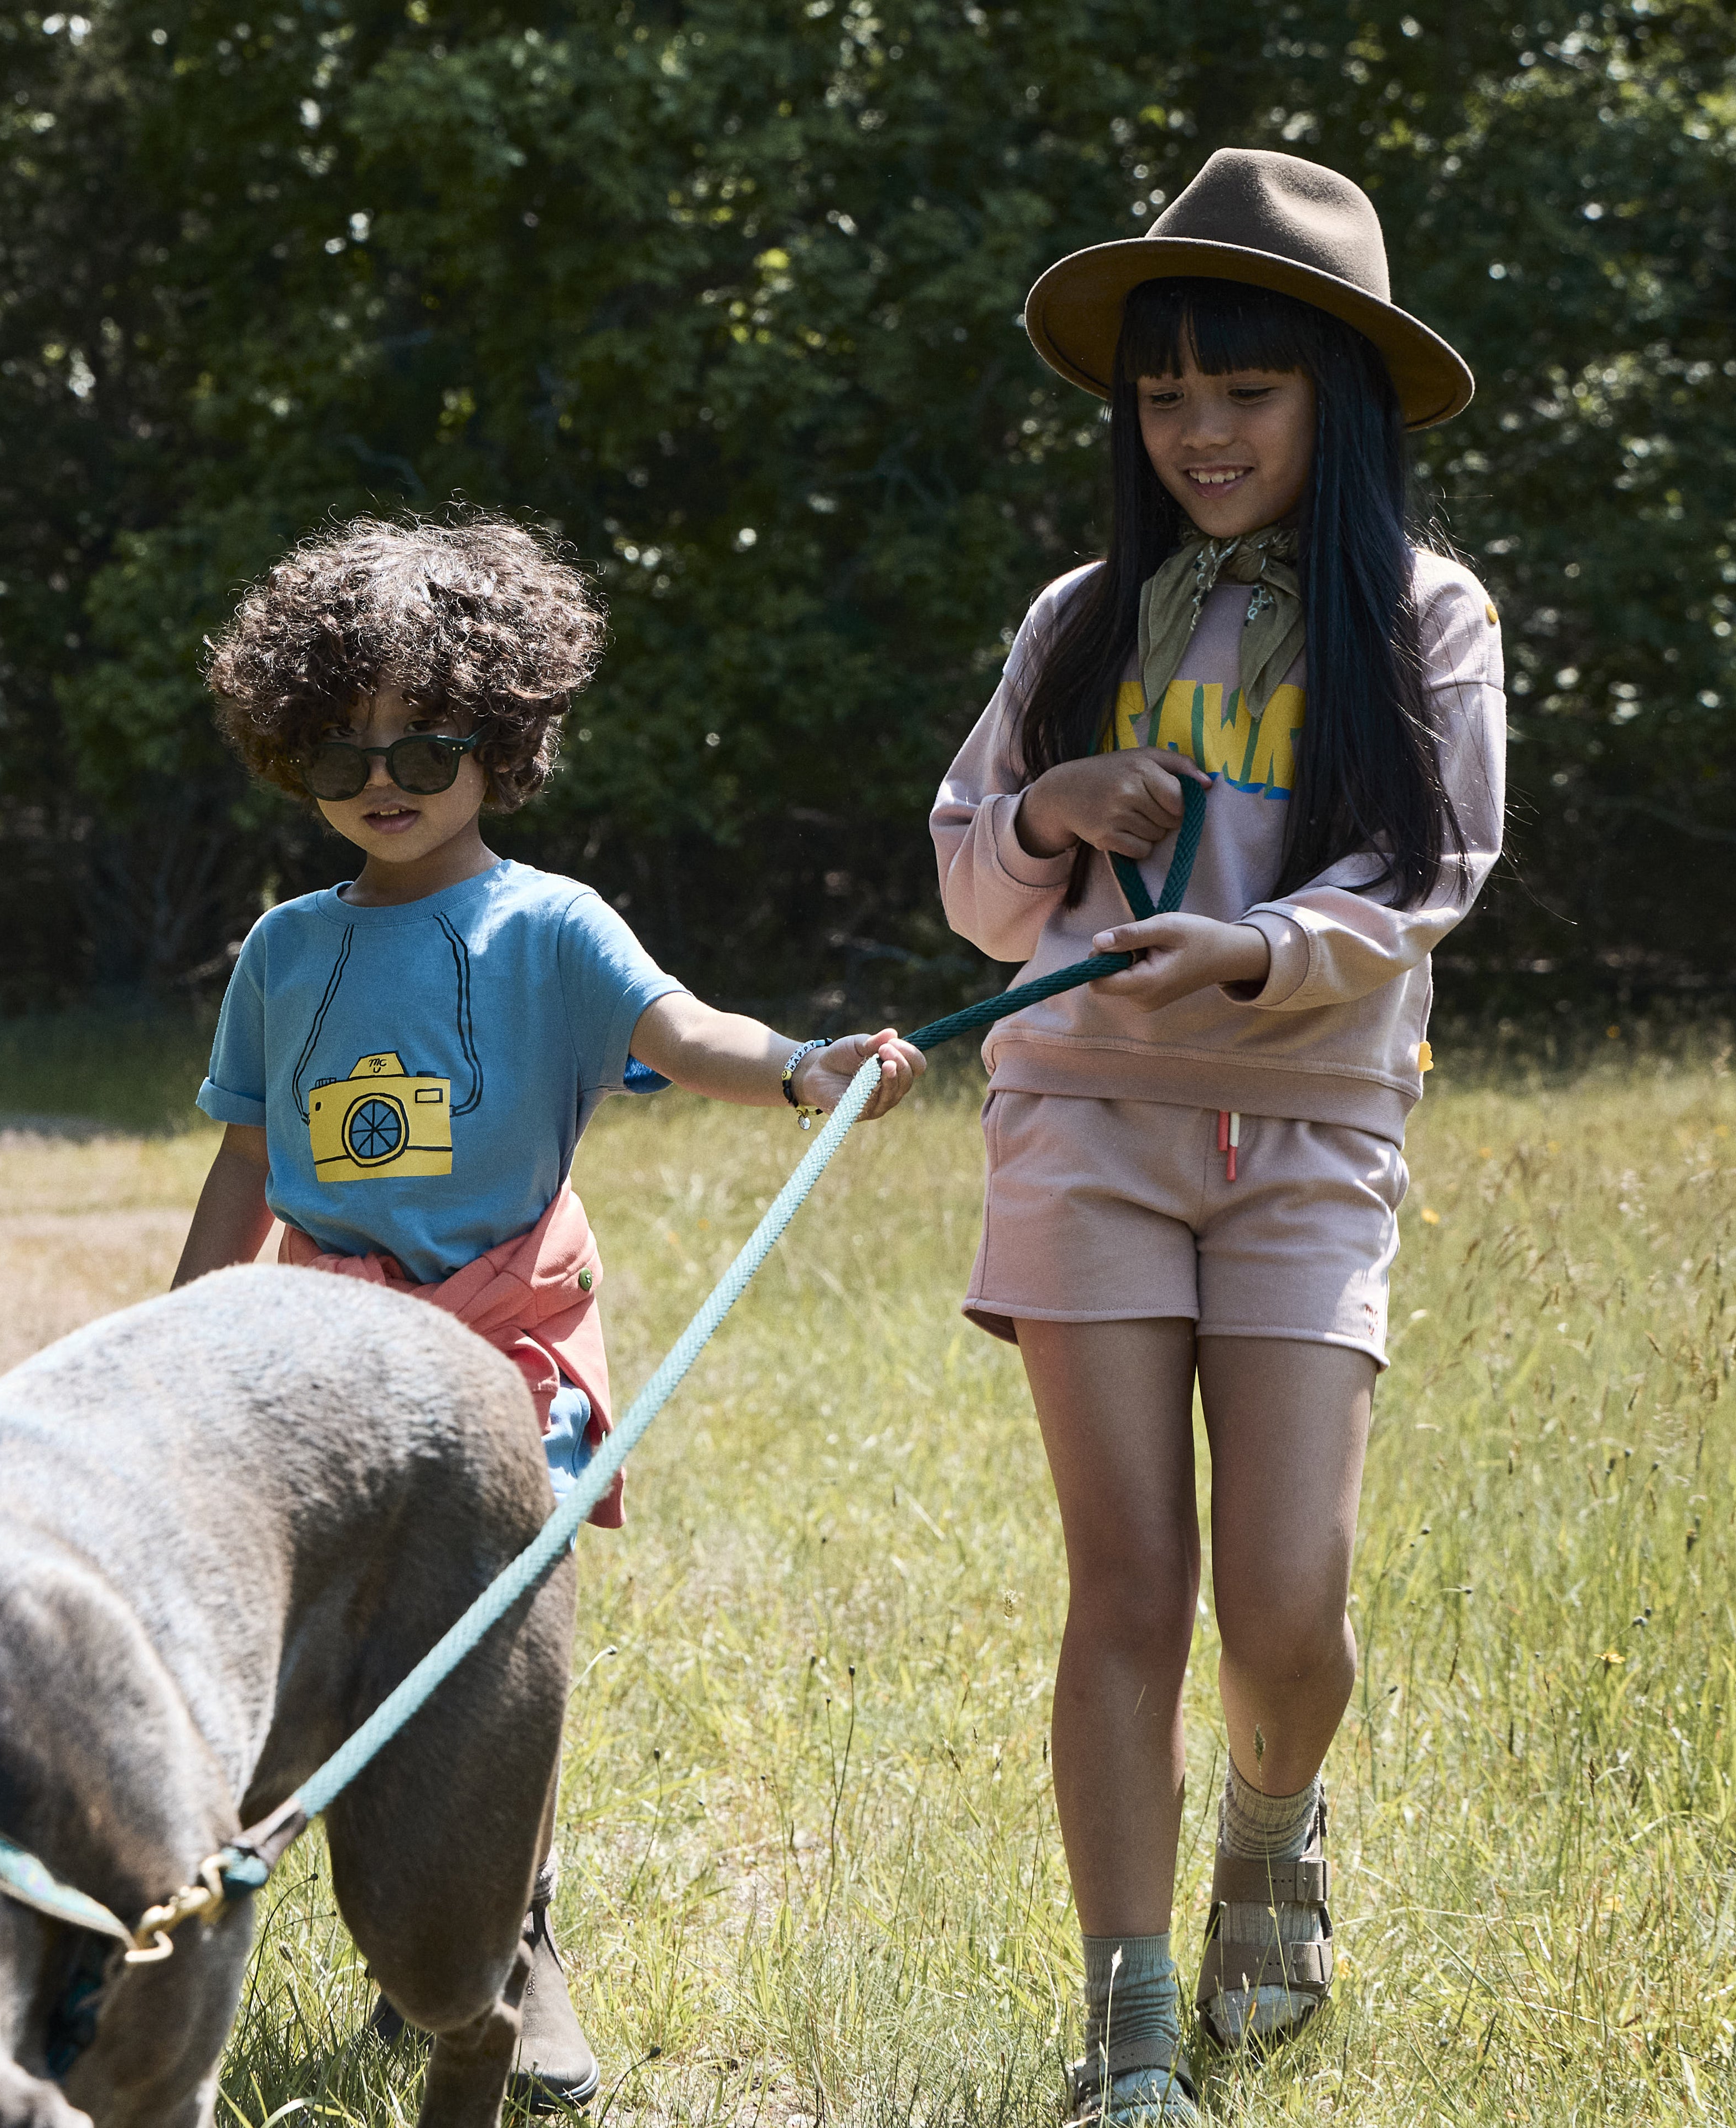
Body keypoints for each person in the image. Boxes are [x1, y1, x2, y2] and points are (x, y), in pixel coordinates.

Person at [172, 511, 926, 2109]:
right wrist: (178, 1345)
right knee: (334, 1663)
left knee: (492, 1650)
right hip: (325, 1351)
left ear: (501, 738)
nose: (386, 778)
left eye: (429, 741)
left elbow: (691, 1028)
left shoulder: (551, 926)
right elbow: (248, 1159)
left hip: (505, 1341)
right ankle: (409, 1957)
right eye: (341, 750)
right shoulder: (285, 950)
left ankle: (516, 1952)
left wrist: (801, 1070)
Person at [930, 150, 1503, 2125]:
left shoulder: (1425, 615)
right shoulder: (1078, 614)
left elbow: (1432, 873)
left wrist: (1252, 951)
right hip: (1083, 1116)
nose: (1199, 433)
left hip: (1314, 1136)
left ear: (1333, 400)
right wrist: (1050, 809)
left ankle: (1273, 1825)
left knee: (1286, 1608)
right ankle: (1130, 2034)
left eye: (1243, 392)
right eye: (1164, 395)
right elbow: (974, 894)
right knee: (1128, 1589)